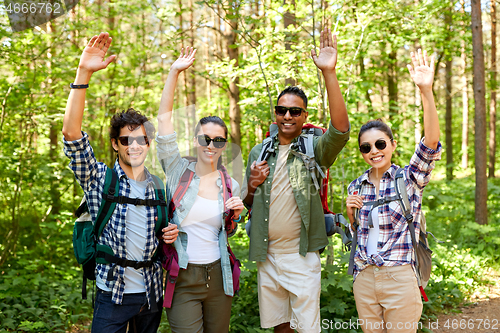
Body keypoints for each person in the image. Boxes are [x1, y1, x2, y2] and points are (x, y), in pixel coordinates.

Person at [62, 32, 178, 333]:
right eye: (126, 139)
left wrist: (173, 233)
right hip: (112, 295)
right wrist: (83, 73)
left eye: (141, 139)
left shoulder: (160, 187)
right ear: (116, 144)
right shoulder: (100, 179)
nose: (134, 145)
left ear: (149, 144)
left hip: (151, 294)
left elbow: (171, 236)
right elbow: (72, 135)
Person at [243, 27, 350, 333]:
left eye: (294, 111)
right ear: (275, 114)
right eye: (281, 110)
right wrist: (251, 185)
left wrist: (329, 72)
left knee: (307, 327)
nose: (287, 115)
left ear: (304, 116)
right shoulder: (258, 152)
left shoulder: (313, 148)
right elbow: (246, 204)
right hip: (268, 256)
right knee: (279, 325)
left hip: (302, 257)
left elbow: (341, 131)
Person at [345, 49, 441, 333]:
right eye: (366, 147)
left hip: (399, 276)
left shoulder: (409, 178)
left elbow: (430, 143)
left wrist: (426, 90)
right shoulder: (355, 185)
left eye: (380, 144)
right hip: (364, 278)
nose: (374, 151)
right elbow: (358, 235)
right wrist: (349, 213)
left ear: (392, 144)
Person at [156, 46, 245, 333]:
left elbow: (226, 231)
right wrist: (174, 72)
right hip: (182, 276)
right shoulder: (178, 170)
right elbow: (163, 123)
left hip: (218, 277)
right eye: (205, 138)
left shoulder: (229, 183)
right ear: (196, 139)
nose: (211, 146)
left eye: (218, 141)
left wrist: (237, 214)